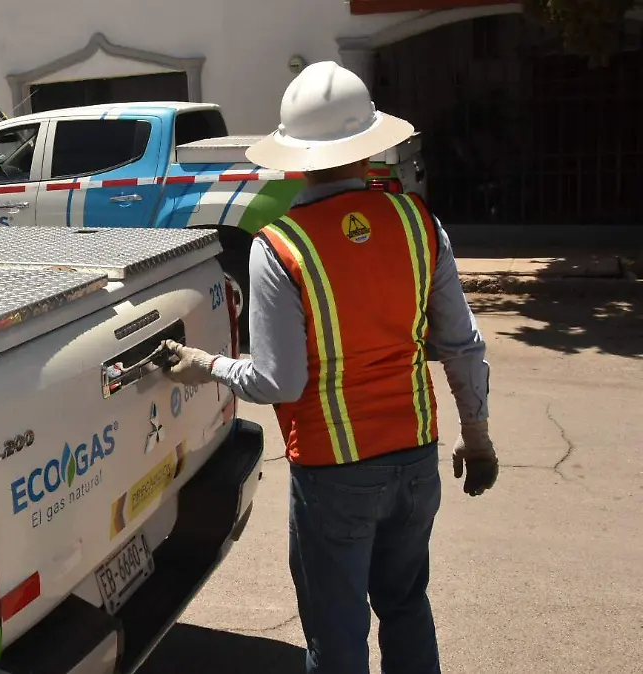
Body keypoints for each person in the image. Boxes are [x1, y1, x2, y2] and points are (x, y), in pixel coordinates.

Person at [161, 61, 497, 674]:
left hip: (335, 473)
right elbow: (462, 344)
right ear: (368, 146)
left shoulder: (279, 246)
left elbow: (278, 382)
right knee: (406, 606)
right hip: (416, 458)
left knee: (337, 640)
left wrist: (205, 364)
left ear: (294, 157)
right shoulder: (419, 224)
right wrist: (476, 436)